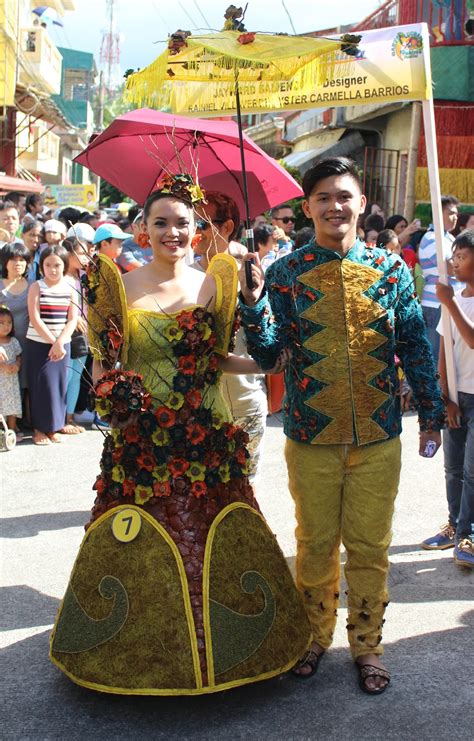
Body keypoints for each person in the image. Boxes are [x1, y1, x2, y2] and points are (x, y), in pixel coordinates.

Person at [49, 174, 311, 696]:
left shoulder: (213, 283)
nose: (172, 232)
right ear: (143, 230)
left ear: (197, 231)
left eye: (182, 224)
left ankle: (223, 648)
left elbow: (215, 359)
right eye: (161, 222)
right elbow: (106, 361)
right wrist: (112, 398)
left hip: (205, 436)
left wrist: (263, 364)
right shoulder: (120, 286)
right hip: (141, 440)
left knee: (207, 533)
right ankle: (138, 651)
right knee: (145, 534)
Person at [239, 156, 444, 695]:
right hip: (310, 437)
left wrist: (431, 412)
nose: (335, 206)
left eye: (344, 196)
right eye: (323, 197)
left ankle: (369, 644)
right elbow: (268, 357)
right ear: (307, 207)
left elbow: (413, 345)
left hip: (379, 435)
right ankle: (313, 635)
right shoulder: (283, 273)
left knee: (371, 547)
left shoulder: (391, 268)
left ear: (362, 204)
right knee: (314, 543)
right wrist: (253, 303)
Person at [193, 191, 269, 485]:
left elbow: (266, 342)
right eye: (191, 223)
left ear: (226, 228)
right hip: (196, 410)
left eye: (201, 224)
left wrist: (252, 301)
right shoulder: (184, 278)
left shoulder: (250, 278)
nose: (193, 232)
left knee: (244, 495)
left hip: (245, 402)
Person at [421, 230, 474, 567]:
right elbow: (444, 348)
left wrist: (450, 302)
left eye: (462, 256)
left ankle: (469, 532)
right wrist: (444, 396)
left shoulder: (451, 299)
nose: (454, 262)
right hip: (457, 396)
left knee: (472, 470)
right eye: (453, 255)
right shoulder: (450, 296)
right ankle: (455, 525)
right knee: (453, 468)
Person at [25, 245, 77, 445]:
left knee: (58, 386)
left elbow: (73, 319)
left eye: (57, 265)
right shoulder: (37, 286)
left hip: (63, 345)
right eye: (48, 264)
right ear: (41, 266)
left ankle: (54, 427)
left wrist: (60, 342)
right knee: (41, 386)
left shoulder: (70, 286)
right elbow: (35, 317)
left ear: (64, 266)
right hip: (39, 344)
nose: (53, 269)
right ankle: (39, 429)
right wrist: (53, 342)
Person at [418, 194, 461, 365]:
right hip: (436, 304)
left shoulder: (448, 238)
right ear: (438, 213)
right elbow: (451, 268)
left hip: (448, 302)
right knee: (435, 356)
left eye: (456, 213)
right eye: (451, 213)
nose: (455, 217)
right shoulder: (431, 238)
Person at [62, 237, 90, 434]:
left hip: (84, 332)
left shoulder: (85, 277)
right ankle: (61, 417)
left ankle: (70, 416)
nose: (85, 257)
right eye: (81, 253)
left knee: (76, 377)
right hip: (66, 333)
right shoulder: (60, 278)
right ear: (68, 255)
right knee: (65, 375)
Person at [0, 243, 31, 397]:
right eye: (13, 259)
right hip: (4, 345)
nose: (18, 264)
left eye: (22, 260)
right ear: (5, 262)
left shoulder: (33, 286)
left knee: (26, 383)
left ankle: (24, 419)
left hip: (28, 343)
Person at [0, 305, 23, 441]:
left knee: (13, 404)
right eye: (1, 323)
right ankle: (3, 431)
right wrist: (3, 366)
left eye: (9, 322)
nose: (6, 326)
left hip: (11, 381)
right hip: (1, 380)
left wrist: (17, 365)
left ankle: (12, 429)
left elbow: (19, 355)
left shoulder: (13, 341)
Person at [116, 207, 153, 271]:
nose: (148, 230)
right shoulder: (124, 247)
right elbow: (139, 270)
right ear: (134, 226)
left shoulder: (157, 244)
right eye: (144, 226)